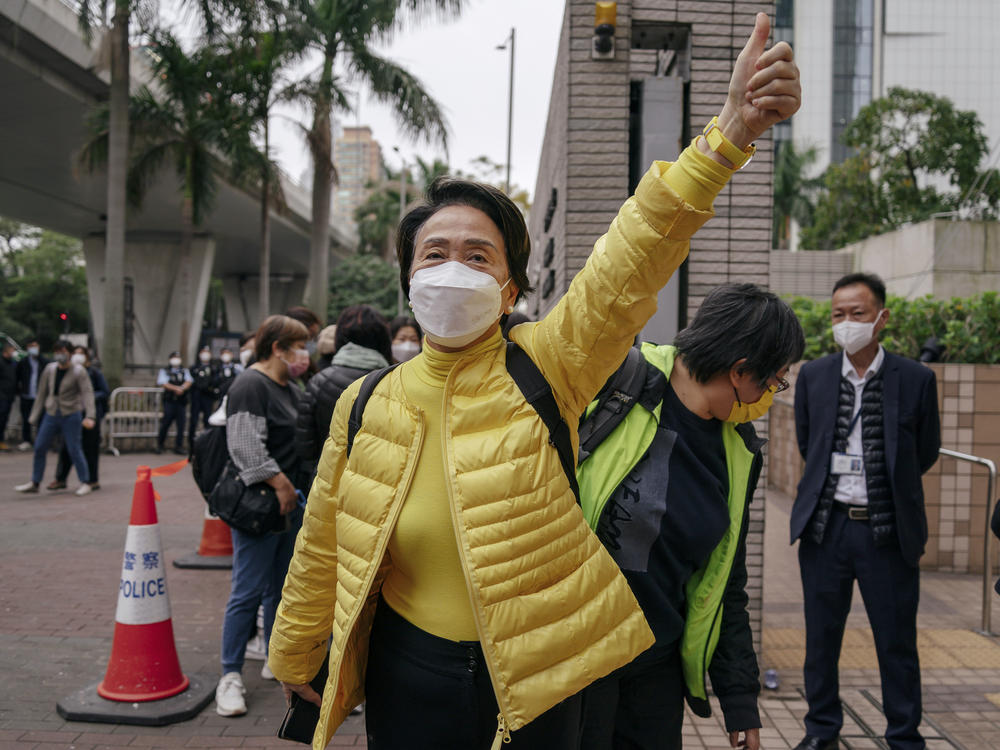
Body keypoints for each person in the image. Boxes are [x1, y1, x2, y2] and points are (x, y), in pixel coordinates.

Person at [268, 14, 799, 750]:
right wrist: (296, 652)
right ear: (408, 278)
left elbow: (634, 254)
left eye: (477, 256)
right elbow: (322, 540)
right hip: (404, 673)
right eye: (435, 253)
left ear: (511, 285)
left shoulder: (550, 363)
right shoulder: (364, 404)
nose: (453, 268)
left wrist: (728, 135)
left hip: (533, 682)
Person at [576, 284, 805, 750]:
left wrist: (740, 697)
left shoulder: (738, 448)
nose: (770, 397)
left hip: (653, 675)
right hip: (572, 664)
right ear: (740, 371)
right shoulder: (617, 382)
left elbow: (725, 582)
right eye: (773, 382)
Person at [791, 272, 941, 750]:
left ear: (881, 318)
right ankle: (821, 731)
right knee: (820, 641)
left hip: (887, 532)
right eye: (839, 315)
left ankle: (903, 736)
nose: (847, 323)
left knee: (896, 643)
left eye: (857, 314)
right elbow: (807, 442)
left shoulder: (916, 378)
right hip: (826, 527)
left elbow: (926, 452)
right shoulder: (813, 376)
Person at [214, 315, 311, 718]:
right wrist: (282, 486)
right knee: (248, 590)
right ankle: (230, 675)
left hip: (287, 508)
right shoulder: (251, 384)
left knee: (279, 587)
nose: (304, 355)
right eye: (298, 346)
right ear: (278, 348)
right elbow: (245, 447)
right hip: (260, 507)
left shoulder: (289, 386)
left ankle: (275, 656)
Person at [295, 305, 392, 465]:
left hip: (328, 478)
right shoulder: (394, 381)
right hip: (379, 481)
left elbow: (305, 445)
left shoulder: (320, 382)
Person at [14, 340, 96, 496]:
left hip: (71, 414)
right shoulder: (50, 369)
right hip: (51, 413)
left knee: (74, 448)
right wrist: (34, 416)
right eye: (57, 351)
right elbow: (42, 393)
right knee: (39, 447)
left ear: (70, 353)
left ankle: (85, 481)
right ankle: (35, 482)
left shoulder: (79, 371)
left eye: (63, 351)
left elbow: (87, 393)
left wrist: (90, 416)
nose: (60, 354)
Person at [52, 347, 109, 491]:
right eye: (75, 353)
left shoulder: (94, 372)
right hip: (72, 414)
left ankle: (92, 480)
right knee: (67, 447)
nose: (78, 356)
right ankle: (61, 478)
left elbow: (104, 391)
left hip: (90, 415)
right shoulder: (69, 372)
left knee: (90, 447)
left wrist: (88, 397)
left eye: (81, 354)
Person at [156, 351, 192, 455]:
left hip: (181, 402)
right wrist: (176, 388)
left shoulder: (184, 371)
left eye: (178, 357)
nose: (176, 359)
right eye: (174, 357)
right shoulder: (165, 371)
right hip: (169, 401)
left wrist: (182, 388)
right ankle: (160, 444)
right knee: (165, 423)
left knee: (181, 425)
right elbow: (163, 382)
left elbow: (189, 381)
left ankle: (179, 446)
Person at [15, 338, 47, 450]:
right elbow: (17, 378)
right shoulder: (23, 362)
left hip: (40, 397)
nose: (33, 348)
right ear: (27, 348)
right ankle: (27, 440)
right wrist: (19, 391)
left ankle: (40, 440)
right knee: (26, 419)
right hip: (26, 395)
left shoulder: (44, 362)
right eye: (31, 346)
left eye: (35, 345)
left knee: (41, 419)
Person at [190, 345, 218, 445]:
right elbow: (192, 381)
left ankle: (207, 443)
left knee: (207, 420)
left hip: (208, 396)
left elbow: (215, 381)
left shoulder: (213, 368)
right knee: (194, 420)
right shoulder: (194, 367)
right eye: (203, 352)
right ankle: (191, 443)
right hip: (196, 396)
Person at [0, 343, 17, 451]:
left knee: (4, 419)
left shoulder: (12, 363)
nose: (13, 352)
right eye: (12, 350)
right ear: (6, 351)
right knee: (1, 419)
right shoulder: (1, 362)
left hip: (9, 396)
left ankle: (1, 440)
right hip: (2, 396)